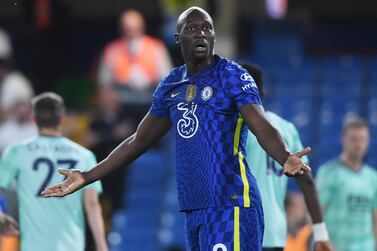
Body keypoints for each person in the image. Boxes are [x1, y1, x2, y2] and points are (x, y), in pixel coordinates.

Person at [42, 7, 311, 251]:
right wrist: (87, 176)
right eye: (192, 29)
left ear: (214, 37)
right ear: (177, 37)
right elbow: (138, 141)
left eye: (206, 28)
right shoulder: (172, 84)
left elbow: (262, 126)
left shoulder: (233, 76)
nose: (201, 34)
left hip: (230, 205)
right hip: (194, 208)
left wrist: (284, 156)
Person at [0, 92, 108, 251]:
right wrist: (101, 244)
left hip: (34, 246)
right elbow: (92, 203)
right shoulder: (84, 155)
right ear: (62, 119)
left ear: (34, 120)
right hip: (72, 245)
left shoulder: (17, 151)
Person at [242, 63, 332, 251]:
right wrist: (321, 233)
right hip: (275, 233)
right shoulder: (286, 128)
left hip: (241, 231)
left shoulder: (235, 129)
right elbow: (306, 182)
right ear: (263, 93)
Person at [316, 118, 377, 251]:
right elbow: (315, 216)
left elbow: (375, 219)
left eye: (363, 139)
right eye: (354, 139)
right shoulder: (328, 173)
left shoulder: (373, 178)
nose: (359, 144)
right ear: (343, 139)